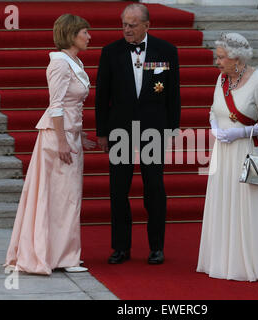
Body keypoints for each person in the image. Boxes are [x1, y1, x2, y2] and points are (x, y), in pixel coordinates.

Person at [4, 14, 95, 275]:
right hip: (58, 139)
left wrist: (78, 135)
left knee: (66, 198)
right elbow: (55, 106)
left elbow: (71, 106)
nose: (89, 37)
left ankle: (60, 254)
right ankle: (64, 257)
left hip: (69, 135)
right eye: (84, 32)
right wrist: (63, 141)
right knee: (63, 198)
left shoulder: (74, 61)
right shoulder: (60, 65)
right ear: (71, 34)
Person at [95, 4, 181, 265]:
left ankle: (157, 247)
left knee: (154, 188)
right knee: (118, 190)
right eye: (124, 24)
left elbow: (173, 94)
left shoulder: (166, 51)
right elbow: (102, 95)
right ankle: (120, 247)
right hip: (119, 130)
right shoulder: (110, 52)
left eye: (132, 25)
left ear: (147, 25)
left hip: (153, 129)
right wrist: (101, 132)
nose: (127, 30)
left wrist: (172, 129)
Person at [196, 33, 258, 282]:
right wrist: (214, 126)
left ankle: (246, 262)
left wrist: (242, 131)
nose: (217, 62)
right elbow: (213, 109)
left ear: (237, 58)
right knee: (222, 202)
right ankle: (220, 259)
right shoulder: (221, 79)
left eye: (221, 57)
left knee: (247, 206)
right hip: (223, 152)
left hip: (250, 152)